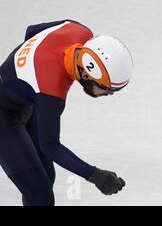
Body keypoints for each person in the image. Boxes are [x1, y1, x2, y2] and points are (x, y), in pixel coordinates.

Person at [0, 20, 133, 205]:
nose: (109, 94)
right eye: (107, 89)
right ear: (87, 74)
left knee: (47, 176)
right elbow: (50, 146)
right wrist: (96, 176)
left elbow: (32, 31)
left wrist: (27, 70)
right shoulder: (51, 90)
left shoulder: (79, 31)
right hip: (5, 117)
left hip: (25, 100)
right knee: (40, 195)